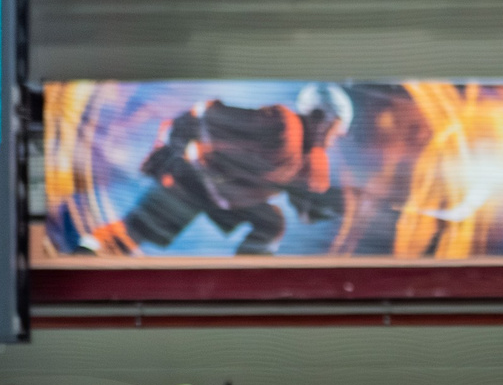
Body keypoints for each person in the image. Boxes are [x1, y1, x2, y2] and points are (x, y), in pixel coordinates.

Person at [76, 85, 352, 257]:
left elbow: (307, 209)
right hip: (194, 180)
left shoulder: (311, 162)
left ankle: (248, 279)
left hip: (225, 196)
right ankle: (86, 256)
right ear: (320, 116)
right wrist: (170, 145)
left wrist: (334, 203)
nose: (336, 136)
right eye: (336, 126)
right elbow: (208, 114)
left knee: (271, 222)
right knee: (135, 231)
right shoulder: (283, 124)